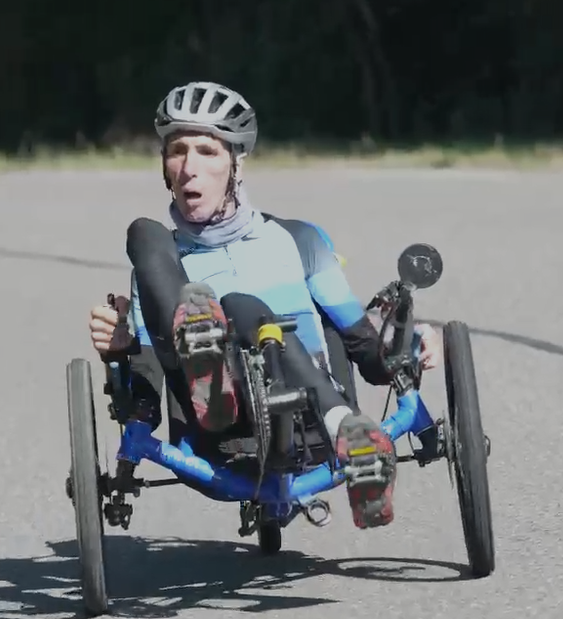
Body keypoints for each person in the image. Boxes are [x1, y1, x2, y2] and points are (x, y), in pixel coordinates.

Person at [88, 80, 440, 530]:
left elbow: (367, 351)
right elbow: (146, 393)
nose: (188, 168)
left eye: (207, 151)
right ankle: (213, 381)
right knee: (145, 233)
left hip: (309, 418)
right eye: (177, 151)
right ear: (163, 165)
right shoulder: (159, 268)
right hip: (214, 433)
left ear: (235, 163)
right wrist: (123, 350)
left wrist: (408, 340)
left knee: (238, 304)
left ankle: (349, 435)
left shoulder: (299, 240)